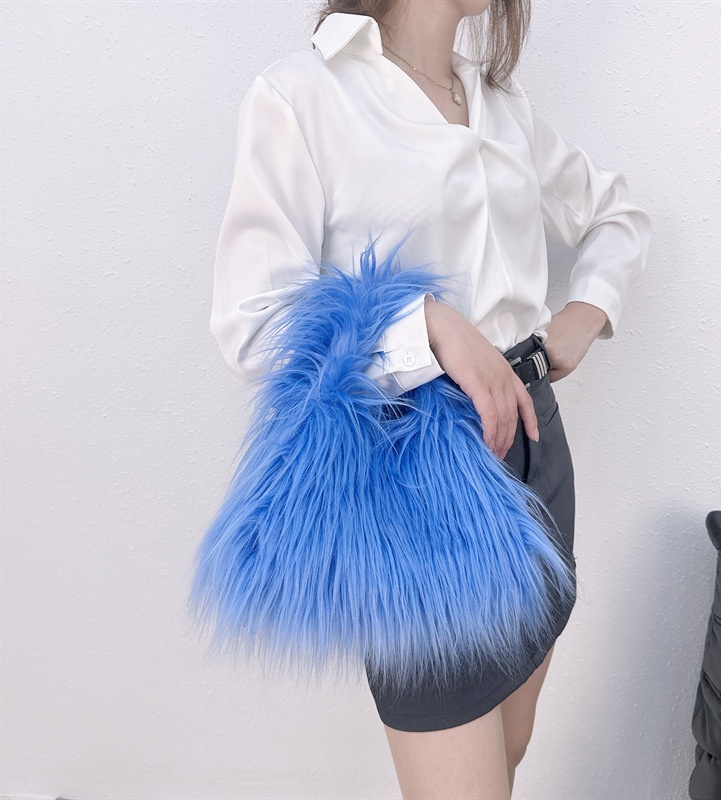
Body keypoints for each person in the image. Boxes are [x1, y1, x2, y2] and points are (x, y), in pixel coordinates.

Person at [209, 1, 651, 796]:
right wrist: (425, 325)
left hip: (535, 452)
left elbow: (616, 214)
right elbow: (255, 327)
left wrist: (585, 315)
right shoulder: (305, 94)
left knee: (507, 757)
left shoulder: (499, 104)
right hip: (417, 483)